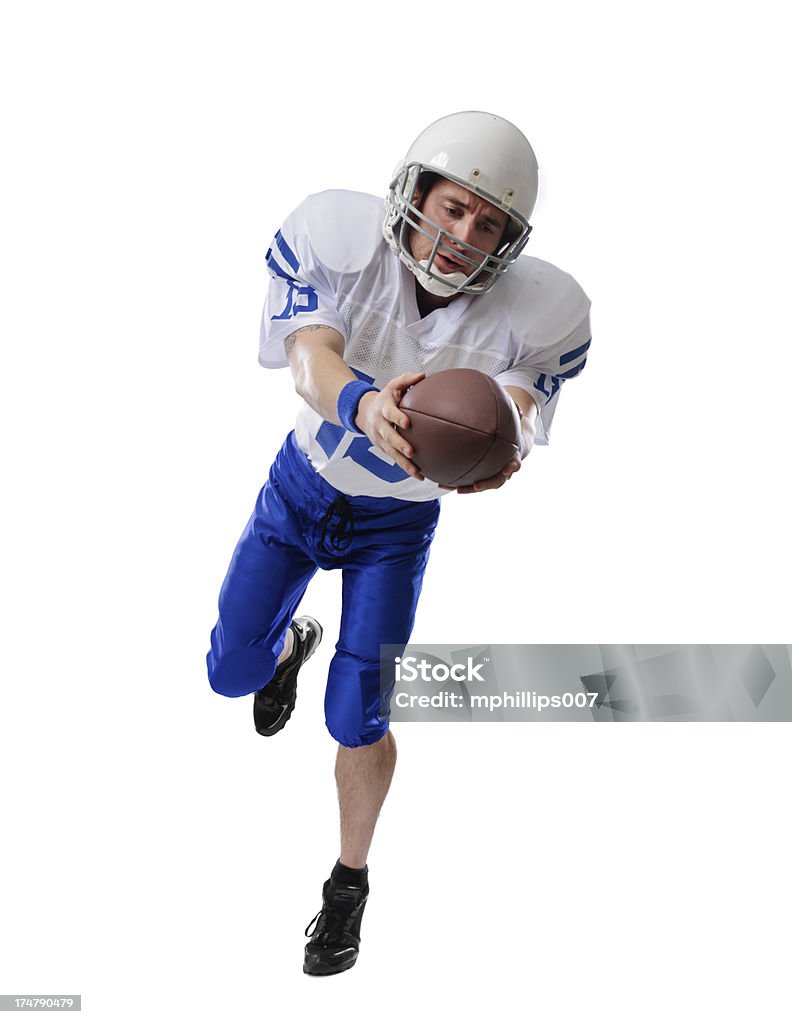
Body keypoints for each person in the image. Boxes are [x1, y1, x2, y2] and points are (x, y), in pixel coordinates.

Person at [206, 110, 591, 976]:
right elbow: (310, 356)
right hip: (300, 492)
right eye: (454, 208)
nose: (463, 236)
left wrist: (506, 441)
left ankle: (348, 884)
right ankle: (283, 651)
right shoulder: (342, 240)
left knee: (357, 716)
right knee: (227, 673)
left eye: (489, 224)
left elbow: (519, 408)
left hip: (396, 527)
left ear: (511, 239)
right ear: (415, 193)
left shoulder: (539, 312)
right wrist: (364, 404)